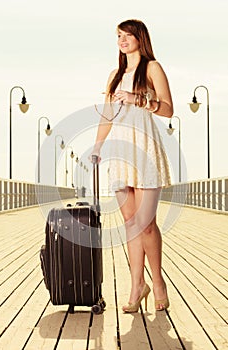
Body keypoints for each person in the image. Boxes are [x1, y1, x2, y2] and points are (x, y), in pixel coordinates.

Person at [91, 19, 173, 312]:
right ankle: (138, 285)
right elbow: (108, 116)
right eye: (118, 36)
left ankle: (159, 281)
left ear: (140, 38)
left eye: (127, 35)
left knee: (146, 224)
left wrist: (139, 98)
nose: (122, 40)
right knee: (130, 224)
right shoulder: (114, 75)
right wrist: (98, 146)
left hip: (145, 149)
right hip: (120, 152)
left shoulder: (152, 68)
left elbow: (167, 109)